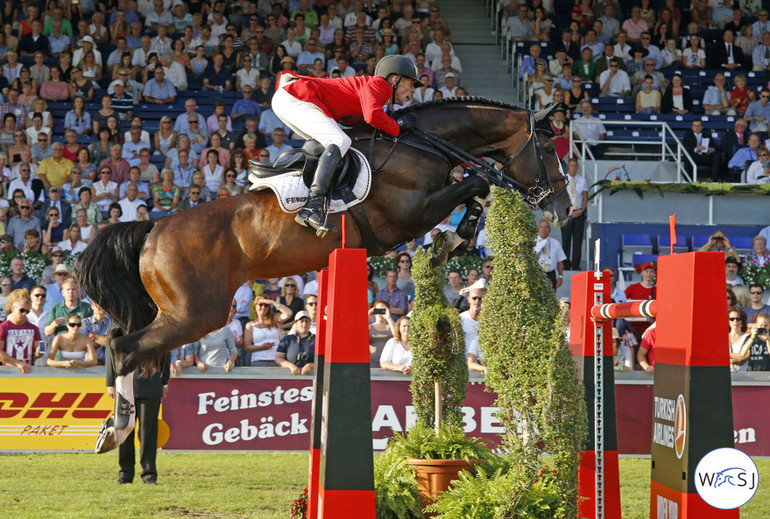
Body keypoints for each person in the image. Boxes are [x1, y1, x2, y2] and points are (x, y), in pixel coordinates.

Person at [271, 54, 419, 234]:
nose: (413, 91)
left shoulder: (377, 93)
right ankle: (312, 206)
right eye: (411, 84)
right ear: (395, 79)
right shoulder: (379, 85)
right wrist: (398, 127)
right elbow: (372, 116)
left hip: (289, 97)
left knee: (328, 144)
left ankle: (301, 192)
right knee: (339, 141)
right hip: (297, 95)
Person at [106, 346, 170, 484]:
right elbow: (111, 353)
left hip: (151, 384)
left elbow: (166, 349)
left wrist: (164, 381)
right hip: (124, 386)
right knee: (125, 430)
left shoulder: (156, 325)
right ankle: (125, 474)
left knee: (148, 432)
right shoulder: (120, 326)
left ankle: (149, 474)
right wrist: (110, 382)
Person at [243, 295, 291, 366]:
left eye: (266, 305)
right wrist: (261, 347)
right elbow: (247, 347)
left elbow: (288, 313)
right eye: (260, 304)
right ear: (255, 306)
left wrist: (272, 302)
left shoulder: (274, 319)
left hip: (276, 360)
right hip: (258, 360)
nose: (263, 307)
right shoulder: (250, 325)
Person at [0, 293, 39, 372]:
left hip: (29, 371)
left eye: (27, 311)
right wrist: (18, 363)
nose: (24, 313)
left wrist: (40, 352)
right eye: (22, 310)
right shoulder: (3, 327)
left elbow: (37, 353)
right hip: (8, 371)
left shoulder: (34, 328)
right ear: (13, 309)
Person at [560, 158, 588, 271]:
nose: (573, 168)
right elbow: (560, 197)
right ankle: (566, 264)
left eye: (575, 166)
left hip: (579, 212)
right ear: (568, 167)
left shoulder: (582, 180)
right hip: (567, 213)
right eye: (571, 165)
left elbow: (585, 196)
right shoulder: (563, 179)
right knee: (566, 240)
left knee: (578, 240)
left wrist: (582, 210)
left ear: (577, 167)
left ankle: (576, 264)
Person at [275, 311, 315, 375]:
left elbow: (323, 361)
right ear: (296, 323)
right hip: (289, 377)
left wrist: (311, 365)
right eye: (301, 321)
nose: (304, 324)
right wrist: (290, 366)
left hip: (313, 377)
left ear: (310, 323)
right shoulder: (287, 339)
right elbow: (278, 358)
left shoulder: (317, 340)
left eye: (307, 321)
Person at [535, 219, 566, 289]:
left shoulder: (555, 243)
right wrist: (538, 251)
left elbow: (560, 261)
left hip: (551, 273)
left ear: (549, 229)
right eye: (541, 227)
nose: (544, 229)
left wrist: (560, 276)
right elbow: (530, 259)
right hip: (537, 273)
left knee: (551, 295)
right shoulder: (534, 242)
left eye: (546, 227)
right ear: (538, 229)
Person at [368, 300, 396, 366]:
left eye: (383, 310)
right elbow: (358, 338)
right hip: (372, 363)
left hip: (388, 363)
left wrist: (389, 318)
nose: (380, 313)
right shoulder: (370, 327)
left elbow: (398, 337)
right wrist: (367, 319)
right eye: (378, 310)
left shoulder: (392, 326)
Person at [460, 286, 484, 352]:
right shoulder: (461, 318)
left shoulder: (488, 320)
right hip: (465, 359)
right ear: (469, 299)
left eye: (480, 298)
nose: (477, 301)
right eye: (474, 298)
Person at [728, 307, 752, 372]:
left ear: (742, 321)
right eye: (731, 319)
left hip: (743, 376)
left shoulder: (748, 337)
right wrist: (737, 355)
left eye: (738, 319)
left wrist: (728, 358)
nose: (735, 321)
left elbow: (744, 357)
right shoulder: (722, 338)